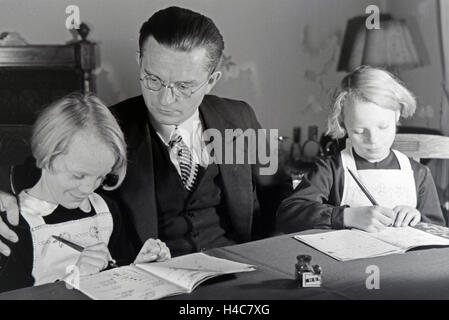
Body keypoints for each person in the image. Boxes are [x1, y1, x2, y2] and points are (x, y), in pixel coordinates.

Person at [0, 6, 276, 258]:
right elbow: (30, 173)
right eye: (153, 79)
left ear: (211, 81)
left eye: (184, 86)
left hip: (240, 271)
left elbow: (280, 188)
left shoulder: (240, 118)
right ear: (140, 62)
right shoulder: (105, 128)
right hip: (150, 281)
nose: (166, 100)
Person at [0, 93, 170, 293]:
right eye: (78, 176)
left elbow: (120, 270)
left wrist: (140, 268)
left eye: (100, 177)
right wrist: (73, 281)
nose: (89, 189)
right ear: (46, 158)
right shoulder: (13, 223)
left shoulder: (107, 209)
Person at [276, 66, 445, 234]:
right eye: (359, 131)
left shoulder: (419, 174)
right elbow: (288, 215)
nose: (373, 140)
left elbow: (439, 232)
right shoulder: (331, 169)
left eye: (383, 127)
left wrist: (417, 219)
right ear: (343, 124)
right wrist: (347, 216)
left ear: (397, 115)